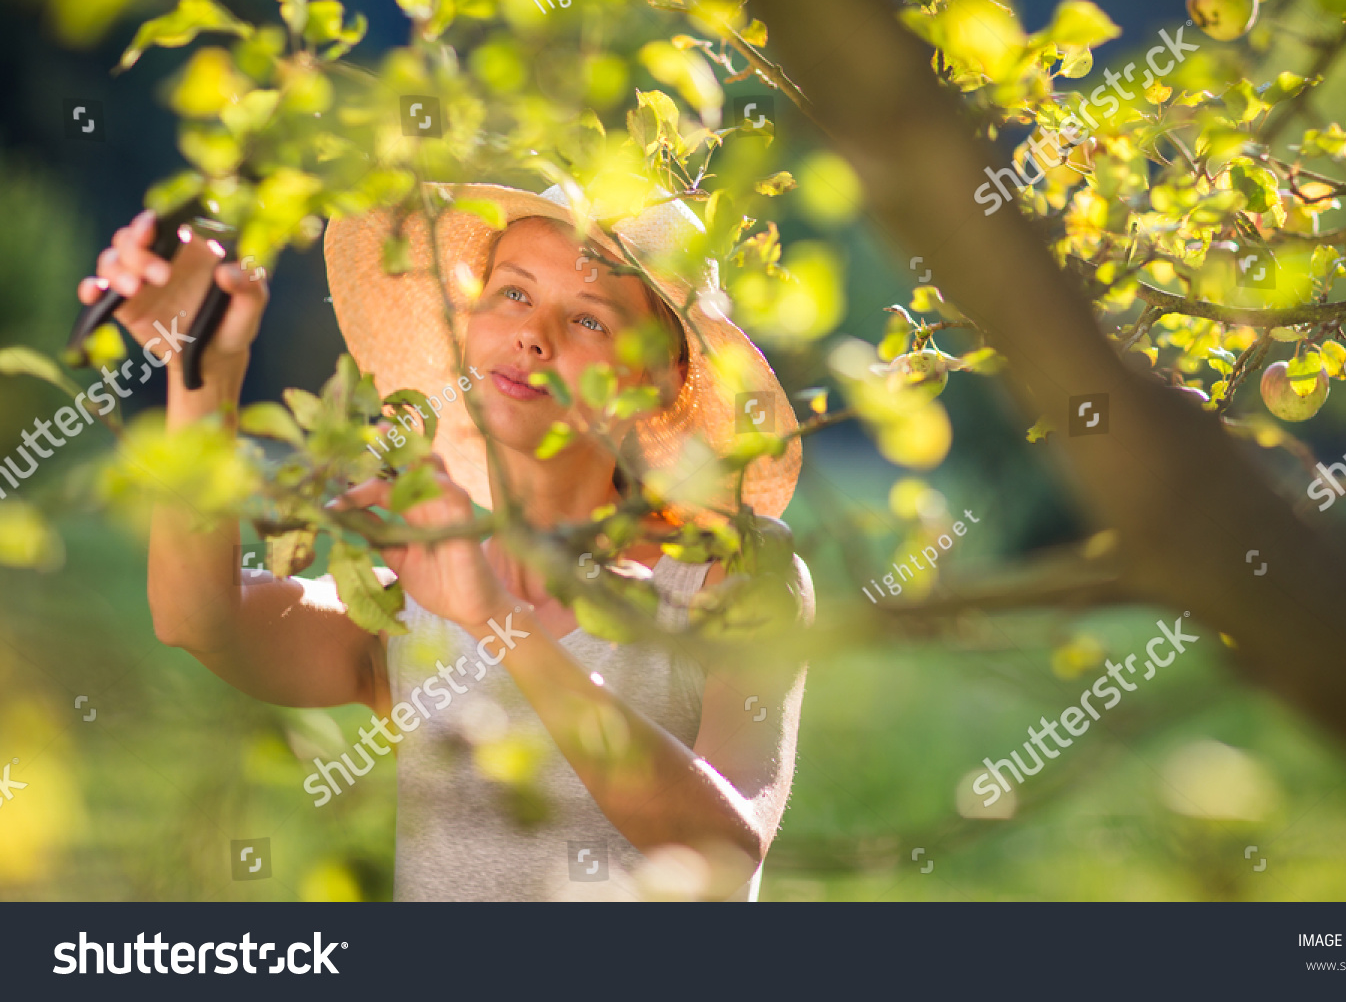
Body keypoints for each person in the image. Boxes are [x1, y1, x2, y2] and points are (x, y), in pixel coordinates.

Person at [81, 184, 812, 901]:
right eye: (514, 293)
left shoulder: (732, 575)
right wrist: (202, 367)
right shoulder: (423, 586)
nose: (533, 335)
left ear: (657, 377)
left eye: (588, 320)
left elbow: (727, 844)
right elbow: (196, 617)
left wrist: (495, 618)